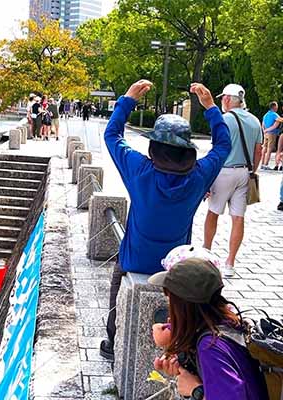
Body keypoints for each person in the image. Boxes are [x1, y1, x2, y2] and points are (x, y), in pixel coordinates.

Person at [99, 80, 231, 361]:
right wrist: (210, 107)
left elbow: (112, 136)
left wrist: (128, 100)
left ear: (154, 147)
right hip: (174, 268)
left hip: (135, 260)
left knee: (116, 283)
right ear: (188, 149)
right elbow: (223, 145)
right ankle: (177, 346)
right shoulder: (199, 176)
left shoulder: (139, 169)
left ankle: (112, 341)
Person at [149, 257, 268, 399]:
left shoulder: (210, 347)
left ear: (183, 307)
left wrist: (195, 389)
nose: (169, 307)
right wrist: (187, 363)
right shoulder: (228, 323)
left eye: (170, 300)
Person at [203, 84, 263, 278]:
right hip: (244, 172)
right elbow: (258, 150)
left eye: (223, 98)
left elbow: (216, 150)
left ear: (228, 99)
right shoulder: (255, 120)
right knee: (238, 217)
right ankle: (230, 263)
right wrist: (251, 169)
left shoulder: (223, 120)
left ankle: (207, 254)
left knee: (213, 213)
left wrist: (208, 179)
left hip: (224, 172)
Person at [261, 101, 281, 170]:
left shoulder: (265, 115)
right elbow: (275, 125)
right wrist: (268, 130)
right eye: (277, 107)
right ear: (274, 107)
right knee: (269, 149)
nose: (277, 108)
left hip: (265, 134)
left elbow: (263, 124)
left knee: (264, 148)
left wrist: (264, 131)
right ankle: (266, 164)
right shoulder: (274, 114)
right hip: (272, 133)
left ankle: (262, 164)